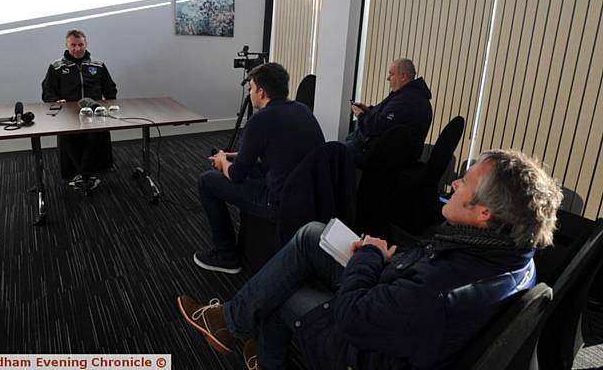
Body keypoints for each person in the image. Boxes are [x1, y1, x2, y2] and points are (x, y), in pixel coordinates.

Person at [178, 149, 563, 369]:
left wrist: (371, 260)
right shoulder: (510, 252)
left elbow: (352, 318)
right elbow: (428, 273)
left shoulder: (445, 290)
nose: (455, 182)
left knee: (284, 292)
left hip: (363, 349)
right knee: (313, 234)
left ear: (484, 213)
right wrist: (388, 259)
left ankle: (263, 356)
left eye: (466, 182)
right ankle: (231, 321)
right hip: (399, 302)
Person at [194, 62, 325, 275]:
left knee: (207, 181)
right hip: (306, 195)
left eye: (251, 88)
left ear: (261, 92)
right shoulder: (302, 110)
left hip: (278, 202)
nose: (250, 93)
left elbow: (236, 175)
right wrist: (231, 156)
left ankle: (226, 256)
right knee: (250, 168)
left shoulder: (260, 120)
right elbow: (272, 150)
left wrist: (222, 162)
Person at [42, 29, 118, 191]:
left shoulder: (98, 65)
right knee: (70, 140)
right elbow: (47, 91)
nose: (77, 49)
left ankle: (84, 175)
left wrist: (109, 102)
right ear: (66, 45)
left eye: (80, 44)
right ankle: (86, 175)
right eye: (73, 45)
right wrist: (55, 100)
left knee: (95, 139)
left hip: (94, 112)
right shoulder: (56, 67)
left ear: (86, 44)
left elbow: (110, 88)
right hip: (68, 114)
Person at [345, 58, 432, 167]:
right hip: (389, 152)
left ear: (403, 77)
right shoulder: (409, 94)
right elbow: (386, 116)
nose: (387, 78)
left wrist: (361, 114)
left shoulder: (406, 100)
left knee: (335, 153)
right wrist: (368, 110)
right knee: (345, 143)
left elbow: (376, 126)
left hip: (384, 157)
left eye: (391, 74)